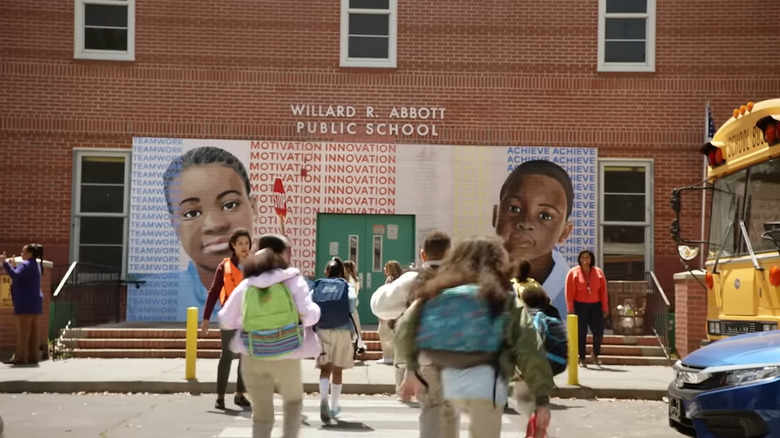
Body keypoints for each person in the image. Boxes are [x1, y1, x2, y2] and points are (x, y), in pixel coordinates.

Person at [394, 236, 555, 438]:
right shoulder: (503, 297)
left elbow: (404, 329)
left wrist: (411, 370)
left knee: (437, 423)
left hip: (438, 370)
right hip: (486, 376)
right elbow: (530, 347)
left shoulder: (438, 290)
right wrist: (541, 399)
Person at [132, 146, 256, 322]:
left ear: (253, 207)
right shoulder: (144, 298)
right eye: (192, 213)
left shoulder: (290, 285)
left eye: (230, 205)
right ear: (175, 226)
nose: (215, 224)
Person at [218, 233, 321, 438]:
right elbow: (309, 316)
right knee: (292, 404)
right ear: (281, 254)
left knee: (262, 416)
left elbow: (226, 319)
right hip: (287, 352)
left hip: (254, 353)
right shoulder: (293, 281)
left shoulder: (247, 284)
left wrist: (254, 322)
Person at [372, 230, 451, 403]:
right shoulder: (462, 279)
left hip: (417, 359)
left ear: (423, 254)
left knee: (427, 417)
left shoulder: (412, 278)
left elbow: (378, 306)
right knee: (447, 418)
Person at [493, 160, 575, 318]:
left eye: (545, 215)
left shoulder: (571, 295)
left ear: (565, 232)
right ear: (495, 216)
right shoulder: (471, 285)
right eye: (514, 208)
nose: (526, 222)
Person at [201, 228, 252, 409]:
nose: (244, 247)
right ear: (233, 246)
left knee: (245, 356)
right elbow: (214, 292)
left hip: (248, 317)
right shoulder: (225, 266)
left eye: (246, 243)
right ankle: (220, 396)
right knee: (227, 355)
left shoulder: (254, 266)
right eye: (240, 244)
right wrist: (206, 318)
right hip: (230, 317)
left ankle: (240, 394)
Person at [312, 257, 357, 423]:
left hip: (322, 331)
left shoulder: (318, 285)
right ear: (342, 273)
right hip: (342, 331)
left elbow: (310, 304)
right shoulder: (346, 285)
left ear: (326, 272)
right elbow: (352, 302)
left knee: (325, 369)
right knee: (337, 370)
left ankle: (323, 399)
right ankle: (333, 406)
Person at [1, 244, 44, 365]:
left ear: (30, 253)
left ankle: (20, 357)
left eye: (23, 252)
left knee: (23, 333)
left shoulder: (26, 264)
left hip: (25, 303)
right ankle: (33, 357)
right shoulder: (35, 265)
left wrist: (5, 263)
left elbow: (15, 275)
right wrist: (14, 266)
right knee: (34, 333)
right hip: (35, 303)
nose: (21, 254)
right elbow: (21, 275)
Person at [566, 250, 608, 367]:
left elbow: (603, 292)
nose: (585, 260)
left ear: (591, 259)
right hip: (580, 306)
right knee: (581, 332)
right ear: (579, 259)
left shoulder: (598, 272)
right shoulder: (573, 273)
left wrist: (605, 308)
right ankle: (582, 357)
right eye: (583, 257)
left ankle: (595, 354)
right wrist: (570, 308)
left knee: (598, 331)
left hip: (596, 306)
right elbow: (569, 293)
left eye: (587, 257)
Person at [375, 260, 403, 365]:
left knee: (383, 333)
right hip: (398, 312)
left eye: (385, 267)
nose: (383, 269)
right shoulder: (400, 280)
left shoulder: (390, 280)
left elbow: (386, 297)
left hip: (388, 312)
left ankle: (388, 356)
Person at [343, 260, 366, 355]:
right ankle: (359, 346)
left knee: (352, 329)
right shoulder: (354, 280)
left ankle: (358, 346)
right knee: (356, 328)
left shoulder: (349, 280)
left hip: (348, 307)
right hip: (352, 307)